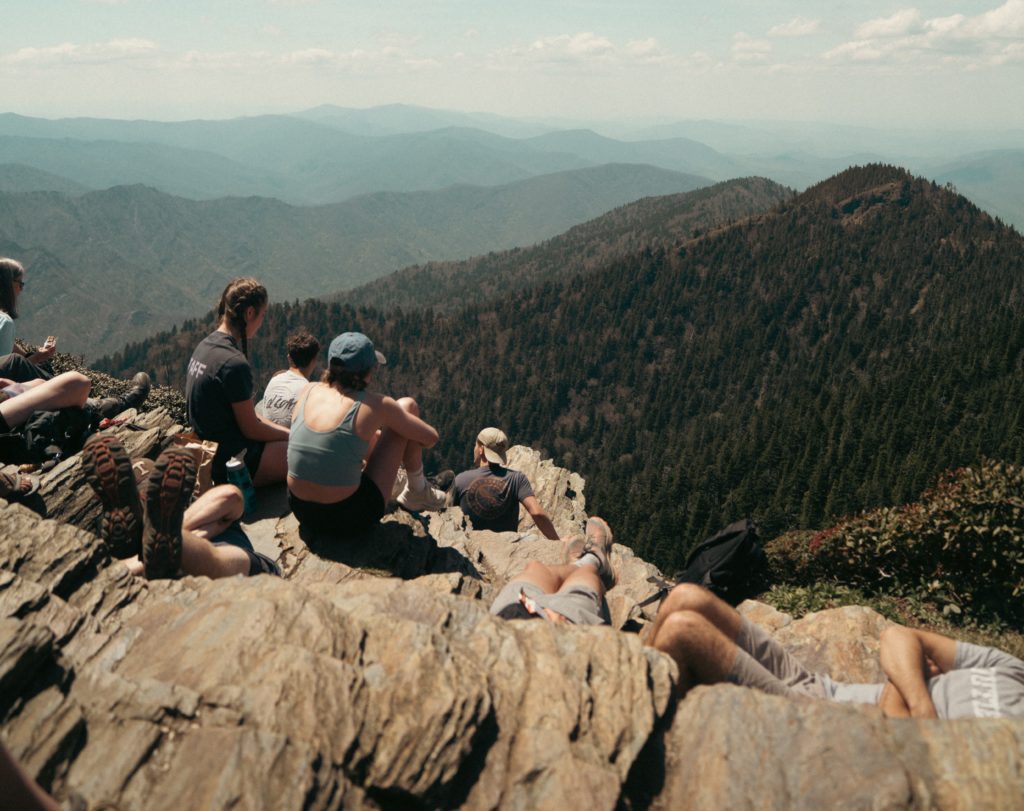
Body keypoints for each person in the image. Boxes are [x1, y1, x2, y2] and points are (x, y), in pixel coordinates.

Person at [647, 582, 1024, 719]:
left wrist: (903, 684)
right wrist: (921, 704)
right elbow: (897, 638)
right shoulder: (1013, 671)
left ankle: (626, 741)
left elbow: (904, 746)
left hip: (822, 725)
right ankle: (627, 683)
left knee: (684, 633)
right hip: (821, 688)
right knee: (686, 596)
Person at [287, 331, 447, 538]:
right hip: (349, 518)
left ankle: (416, 489)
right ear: (367, 373)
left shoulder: (307, 390)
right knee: (407, 406)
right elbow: (431, 437)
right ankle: (417, 490)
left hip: (301, 510)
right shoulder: (376, 404)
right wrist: (399, 430)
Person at [82, 434, 280, 579]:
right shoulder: (193, 504)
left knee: (215, 557)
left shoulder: (190, 503)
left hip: (154, 571)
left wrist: (161, 534)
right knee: (222, 559)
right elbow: (231, 497)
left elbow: (230, 497)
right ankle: (169, 539)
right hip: (238, 573)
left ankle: (165, 537)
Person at [185, 277, 289, 486]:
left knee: (289, 436)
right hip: (233, 463)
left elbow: (249, 417)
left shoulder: (205, 346)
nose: (262, 321)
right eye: (263, 314)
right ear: (249, 313)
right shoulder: (233, 363)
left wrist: (287, 433)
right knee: (308, 450)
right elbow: (251, 429)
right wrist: (292, 436)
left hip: (208, 455)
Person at [490, 516, 616, 624]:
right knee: (586, 574)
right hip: (549, 632)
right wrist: (554, 631)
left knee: (535, 567)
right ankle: (594, 559)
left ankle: (578, 563)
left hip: (508, 615)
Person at [450, 427, 561, 540]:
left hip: (471, 546)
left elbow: (447, 517)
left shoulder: (461, 480)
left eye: (475, 445)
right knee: (532, 538)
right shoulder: (517, 479)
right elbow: (537, 514)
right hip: (507, 546)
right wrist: (557, 541)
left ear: (481, 449)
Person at [0, 257, 56, 382]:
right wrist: (38, 357)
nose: (21, 288)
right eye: (19, 283)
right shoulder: (5, 322)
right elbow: (5, 369)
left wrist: (28, 355)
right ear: (7, 284)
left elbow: (5, 341)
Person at [260, 329, 320, 427]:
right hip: (290, 440)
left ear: (289, 358)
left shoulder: (274, 380)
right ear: (314, 361)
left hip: (264, 437)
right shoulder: (310, 391)